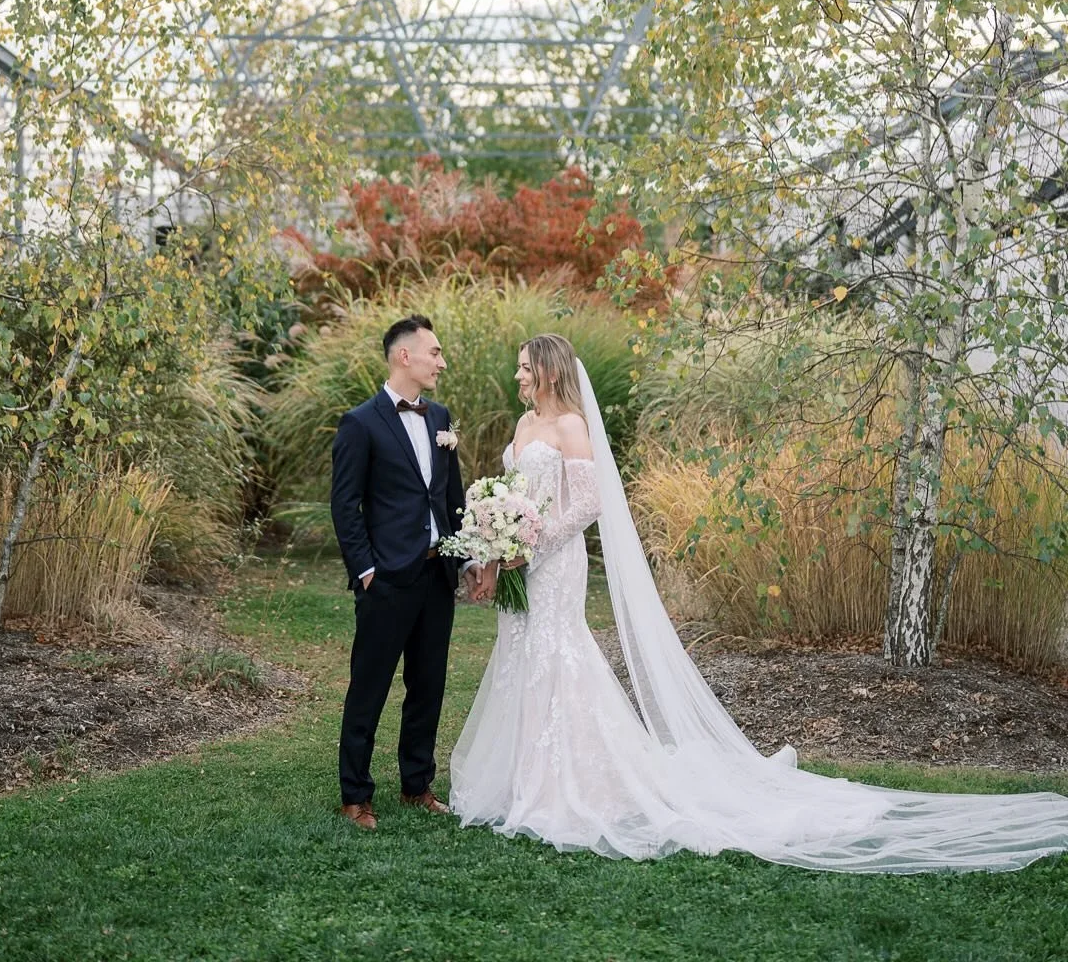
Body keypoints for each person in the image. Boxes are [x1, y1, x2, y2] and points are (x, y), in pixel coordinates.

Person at [449, 333, 1068, 872]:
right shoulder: (525, 426)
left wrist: (531, 543)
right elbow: (512, 494)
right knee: (521, 652)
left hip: (553, 564)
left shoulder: (572, 427)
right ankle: (522, 780)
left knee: (561, 654)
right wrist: (494, 546)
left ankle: (571, 783)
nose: (519, 376)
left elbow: (585, 505)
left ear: (551, 370)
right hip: (519, 564)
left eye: (526, 367)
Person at [330, 314, 483, 830]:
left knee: (429, 684)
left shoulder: (440, 417)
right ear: (405, 356)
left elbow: (452, 499)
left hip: (435, 576)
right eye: (434, 353)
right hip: (387, 580)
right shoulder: (360, 423)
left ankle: (417, 784)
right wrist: (366, 570)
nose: (441, 362)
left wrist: (465, 560)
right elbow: (344, 505)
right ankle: (356, 794)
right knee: (369, 687)